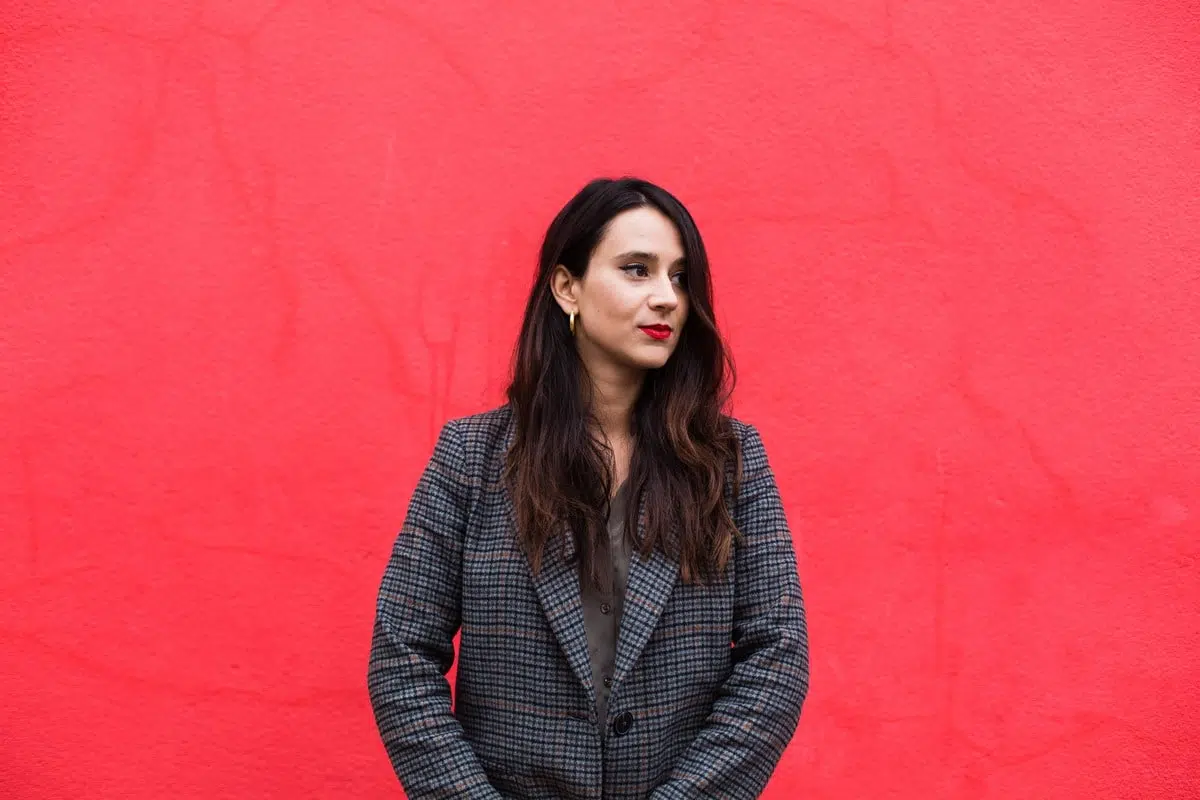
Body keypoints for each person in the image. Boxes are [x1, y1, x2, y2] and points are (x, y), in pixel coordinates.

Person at [367, 177, 810, 799]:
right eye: (637, 270)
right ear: (566, 286)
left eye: (680, 278)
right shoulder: (471, 458)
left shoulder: (730, 463)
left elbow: (777, 657)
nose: (667, 299)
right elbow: (401, 656)